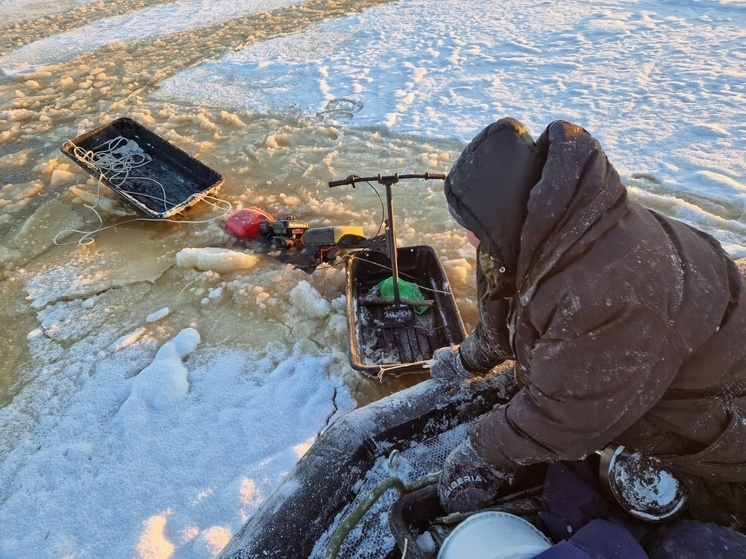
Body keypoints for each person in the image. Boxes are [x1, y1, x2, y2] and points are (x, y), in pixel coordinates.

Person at [429, 117, 746, 535]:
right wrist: (467, 361)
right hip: (648, 369)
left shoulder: (607, 290)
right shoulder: (550, 228)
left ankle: (691, 494)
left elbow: (566, 412)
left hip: (712, 420)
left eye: (475, 229)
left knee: (679, 504)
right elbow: (502, 315)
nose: (470, 240)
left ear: (503, 217)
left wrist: (481, 453)